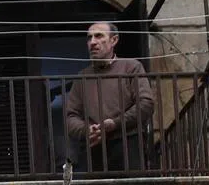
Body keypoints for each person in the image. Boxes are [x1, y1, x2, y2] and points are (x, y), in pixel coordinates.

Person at [64, 21, 153, 172]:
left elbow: (146, 103)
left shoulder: (131, 67)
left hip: (128, 142)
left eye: (99, 36)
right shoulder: (82, 77)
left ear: (114, 40)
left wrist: (115, 123)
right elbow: (71, 116)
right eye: (89, 38)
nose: (92, 42)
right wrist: (87, 130)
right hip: (94, 146)